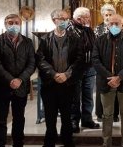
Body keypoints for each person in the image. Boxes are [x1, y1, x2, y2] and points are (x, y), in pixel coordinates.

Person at [36, 9, 83, 147]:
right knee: (50, 116)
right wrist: (53, 73)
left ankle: (67, 141)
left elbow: (79, 60)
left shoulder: (75, 38)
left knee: (67, 116)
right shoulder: (45, 39)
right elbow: (40, 60)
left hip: (67, 84)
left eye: (66, 18)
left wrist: (66, 74)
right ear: (54, 20)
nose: (64, 21)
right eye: (60, 18)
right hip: (50, 83)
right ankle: (50, 142)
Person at [92, 14, 123, 147]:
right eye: (111, 23)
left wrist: (120, 76)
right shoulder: (99, 40)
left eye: (117, 23)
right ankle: (106, 142)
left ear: (122, 25)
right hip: (106, 83)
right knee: (107, 114)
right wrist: (109, 77)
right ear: (107, 24)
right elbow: (95, 60)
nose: (114, 26)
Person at [0, 14, 36, 147]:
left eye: (16, 22)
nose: (13, 25)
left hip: (20, 87)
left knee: (19, 119)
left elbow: (32, 63)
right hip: (2, 86)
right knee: (0, 119)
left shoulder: (28, 42)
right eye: (10, 22)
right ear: (5, 24)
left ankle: (18, 143)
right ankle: (0, 144)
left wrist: (20, 79)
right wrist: (11, 80)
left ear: (20, 24)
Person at [68, 7, 100, 133]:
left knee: (88, 96)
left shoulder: (88, 29)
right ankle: (74, 121)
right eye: (87, 17)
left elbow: (94, 45)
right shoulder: (70, 29)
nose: (89, 19)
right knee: (75, 97)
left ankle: (87, 119)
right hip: (76, 69)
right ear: (79, 18)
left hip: (90, 68)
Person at [94, 3, 118, 122]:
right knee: (101, 89)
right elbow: (95, 48)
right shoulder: (98, 29)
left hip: (115, 64)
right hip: (102, 65)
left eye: (110, 14)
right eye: (106, 15)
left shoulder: (116, 28)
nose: (108, 17)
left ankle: (114, 114)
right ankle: (100, 113)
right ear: (103, 15)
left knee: (115, 89)